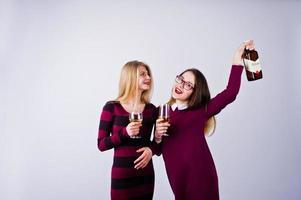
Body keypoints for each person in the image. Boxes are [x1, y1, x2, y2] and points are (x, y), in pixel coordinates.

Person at [154, 40, 255, 200]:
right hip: (177, 180)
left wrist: (237, 60)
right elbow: (159, 150)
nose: (181, 84)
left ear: (195, 92)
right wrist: (158, 137)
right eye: (180, 79)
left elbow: (230, 93)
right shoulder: (162, 112)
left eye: (188, 85)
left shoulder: (199, 112)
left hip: (200, 179)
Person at [97, 60, 158, 200]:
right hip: (122, 176)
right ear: (130, 77)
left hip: (145, 176)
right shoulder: (111, 107)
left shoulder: (151, 110)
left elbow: (159, 142)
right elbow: (101, 144)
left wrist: (151, 150)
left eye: (148, 74)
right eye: (143, 74)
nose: (148, 77)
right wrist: (125, 132)